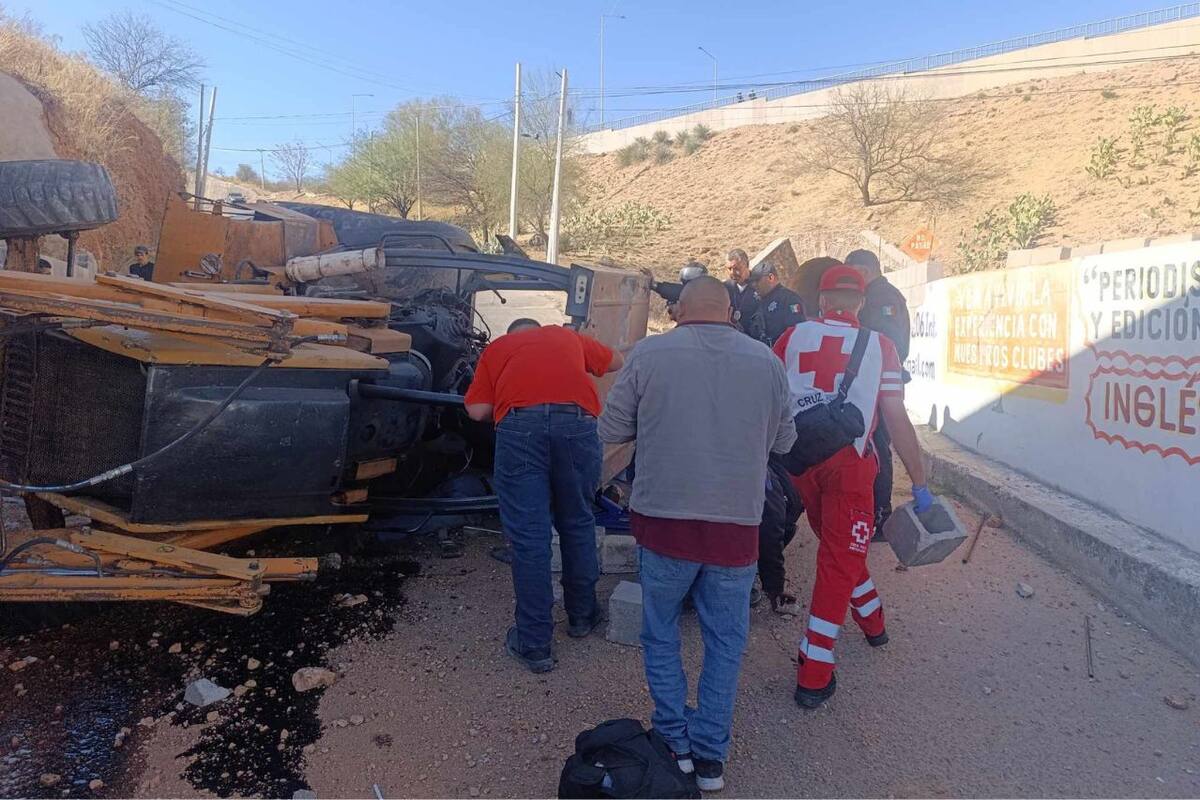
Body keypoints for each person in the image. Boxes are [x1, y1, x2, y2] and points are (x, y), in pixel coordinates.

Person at [599, 276, 796, 793]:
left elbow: (611, 428)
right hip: (736, 529)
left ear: (680, 310)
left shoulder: (649, 355)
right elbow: (785, 440)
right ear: (731, 311)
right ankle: (711, 757)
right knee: (725, 642)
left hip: (664, 525)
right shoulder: (767, 362)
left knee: (660, 631)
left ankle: (673, 743)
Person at [772, 264, 934, 709]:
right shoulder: (880, 346)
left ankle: (873, 621)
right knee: (841, 558)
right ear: (860, 303)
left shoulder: (791, 337)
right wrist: (919, 482)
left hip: (800, 461)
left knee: (841, 546)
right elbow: (896, 419)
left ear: (822, 301)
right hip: (851, 466)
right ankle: (815, 667)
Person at [465, 318, 624, 673]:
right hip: (577, 425)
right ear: (539, 328)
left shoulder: (497, 349)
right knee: (578, 521)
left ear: (513, 335)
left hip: (519, 429)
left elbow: (476, 411)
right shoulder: (565, 336)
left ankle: (535, 645)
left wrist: (509, 395)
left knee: (529, 536)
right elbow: (616, 361)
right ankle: (582, 616)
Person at [844, 249, 912, 532]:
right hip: (871, 382)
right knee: (872, 445)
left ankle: (881, 514)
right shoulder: (875, 295)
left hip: (880, 383)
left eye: (852, 274)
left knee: (879, 446)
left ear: (865, 271)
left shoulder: (883, 297)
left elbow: (891, 343)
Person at [745, 261, 805, 345]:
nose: (754, 285)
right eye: (752, 282)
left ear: (770, 277)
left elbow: (796, 330)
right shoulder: (758, 303)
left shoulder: (789, 299)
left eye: (757, 281)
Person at [724, 248, 759, 329]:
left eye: (737, 268)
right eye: (729, 269)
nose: (732, 273)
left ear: (747, 265)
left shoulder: (760, 285)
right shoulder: (725, 289)